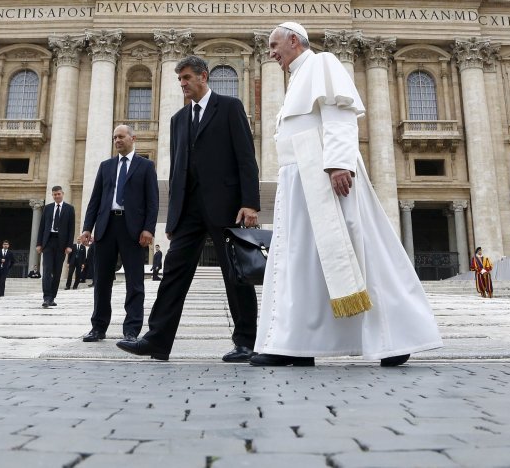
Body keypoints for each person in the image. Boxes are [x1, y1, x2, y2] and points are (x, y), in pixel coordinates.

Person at [249, 22, 442, 367]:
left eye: (274, 45)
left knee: (357, 250)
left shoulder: (322, 63)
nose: (271, 53)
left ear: (294, 40)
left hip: (324, 173)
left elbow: (340, 115)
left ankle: (394, 338)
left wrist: (338, 164)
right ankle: (296, 343)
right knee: (300, 260)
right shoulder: (295, 77)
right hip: (299, 177)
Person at [118, 55, 260, 362]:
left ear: (203, 77)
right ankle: (157, 340)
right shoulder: (177, 120)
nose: (182, 83)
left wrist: (250, 202)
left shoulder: (231, 107)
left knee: (235, 275)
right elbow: (177, 168)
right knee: (173, 273)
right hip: (188, 211)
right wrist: (172, 215)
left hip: (226, 206)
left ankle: (246, 341)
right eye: (179, 79)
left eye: (186, 77)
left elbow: (246, 158)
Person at [81, 125, 158, 343]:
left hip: (132, 229)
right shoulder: (106, 166)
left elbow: (153, 202)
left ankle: (131, 330)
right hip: (106, 226)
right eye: (114, 137)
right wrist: (88, 227)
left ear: (133, 138)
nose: (117, 140)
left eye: (121, 136)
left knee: (134, 281)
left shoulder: (146, 166)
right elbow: (95, 199)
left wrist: (148, 229)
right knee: (102, 280)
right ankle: (98, 327)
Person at [35, 185, 75, 308]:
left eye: (58, 194)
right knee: (47, 270)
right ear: (52, 195)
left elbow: (71, 228)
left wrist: (69, 246)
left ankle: (52, 297)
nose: (57, 196)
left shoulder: (69, 209)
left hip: (61, 244)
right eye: (54, 194)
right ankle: (46, 297)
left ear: (62, 194)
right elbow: (42, 227)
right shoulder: (47, 208)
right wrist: (39, 243)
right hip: (48, 241)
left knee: (57, 272)